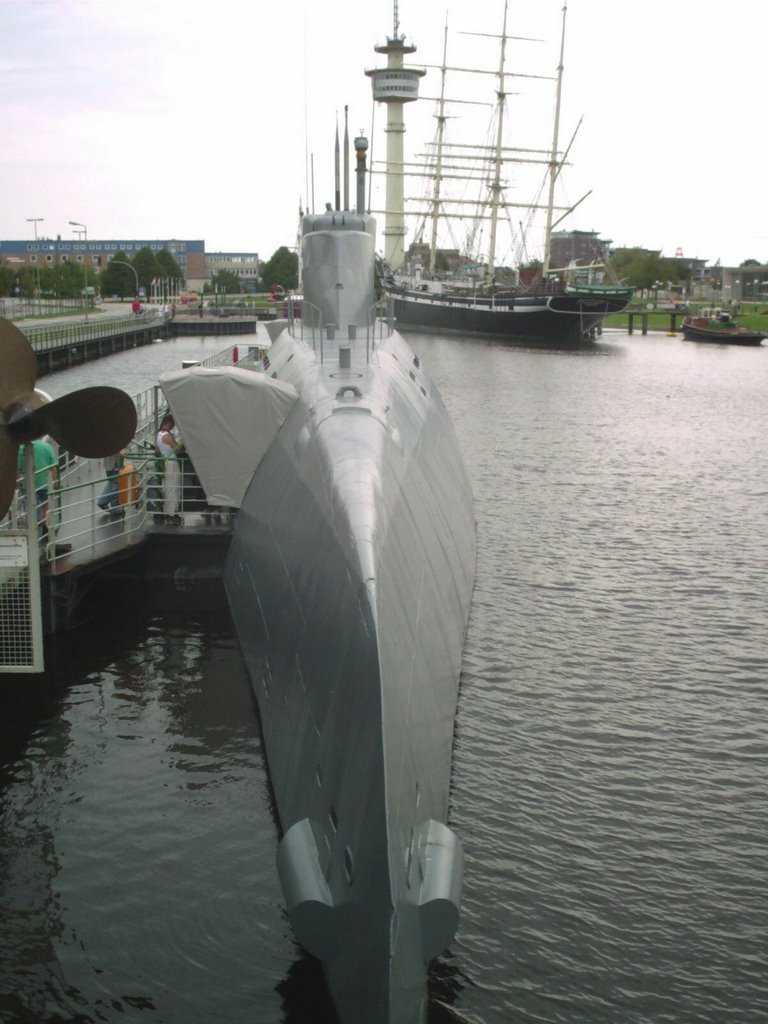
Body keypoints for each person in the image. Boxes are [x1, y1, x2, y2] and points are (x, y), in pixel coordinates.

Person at [17, 437, 58, 540]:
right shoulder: (47, 446)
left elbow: (18, 468)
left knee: (31, 506)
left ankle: (35, 530)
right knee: (45, 506)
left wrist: (16, 483)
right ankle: (44, 527)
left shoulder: (22, 448)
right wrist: (55, 481)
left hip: (27, 483)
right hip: (44, 482)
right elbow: (53, 467)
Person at [156, 414, 183, 525]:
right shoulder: (168, 436)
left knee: (167, 487)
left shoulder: (158, 435)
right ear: (169, 422)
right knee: (173, 487)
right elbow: (178, 450)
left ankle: (168, 511)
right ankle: (173, 514)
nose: (174, 425)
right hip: (172, 463)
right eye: (173, 423)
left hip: (165, 462)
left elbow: (157, 451)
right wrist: (183, 444)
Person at [98, 450, 124, 515]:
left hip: (110, 465)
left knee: (113, 483)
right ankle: (115, 508)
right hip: (114, 466)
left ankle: (102, 503)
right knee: (116, 485)